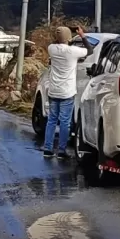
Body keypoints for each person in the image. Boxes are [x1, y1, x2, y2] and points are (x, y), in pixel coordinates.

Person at [42, 24, 90, 159]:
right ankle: (61, 151)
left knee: (51, 120)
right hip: (67, 92)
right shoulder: (73, 51)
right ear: (69, 38)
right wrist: (82, 35)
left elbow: (56, 41)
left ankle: (47, 148)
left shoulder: (51, 49)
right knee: (65, 122)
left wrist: (61, 33)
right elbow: (89, 51)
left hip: (53, 90)